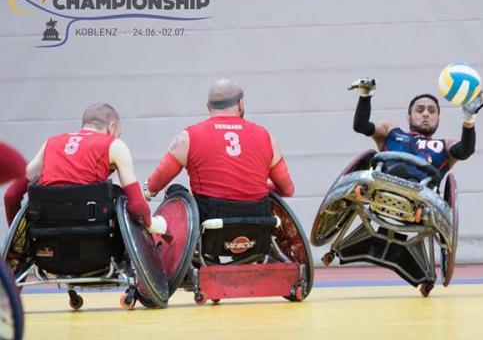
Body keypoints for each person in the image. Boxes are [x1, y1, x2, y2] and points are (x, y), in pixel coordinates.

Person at [3, 103, 163, 231]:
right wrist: (152, 224)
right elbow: (138, 208)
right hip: (96, 239)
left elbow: (10, 195)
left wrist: (19, 240)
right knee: (119, 195)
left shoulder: (50, 144)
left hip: (45, 240)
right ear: (112, 126)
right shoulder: (114, 145)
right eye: (118, 134)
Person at [144, 78, 294, 208]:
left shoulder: (188, 137)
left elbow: (154, 184)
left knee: (173, 189)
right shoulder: (267, 137)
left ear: (208, 107)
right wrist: (257, 187)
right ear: (240, 104)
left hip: (210, 224)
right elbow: (287, 190)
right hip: (257, 225)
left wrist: (148, 190)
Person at [349, 77, 483, 181]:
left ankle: (410, 180)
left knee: (417, 171)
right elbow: (361, 126)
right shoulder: (391, 131)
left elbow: (466, 150)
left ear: (438, 120)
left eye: (432, 111)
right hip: (387, 178)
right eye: (420, 110)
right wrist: (365, 97)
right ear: (409, 118)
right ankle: (397, 177)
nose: (426, 114)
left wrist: (469, 117)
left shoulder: (445, 145)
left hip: (422, 189)